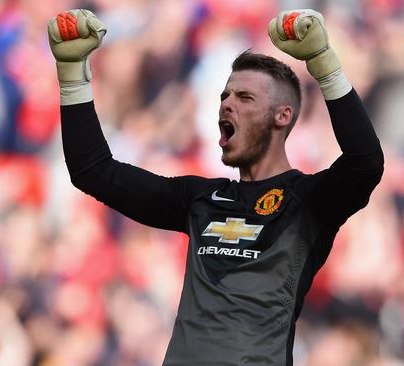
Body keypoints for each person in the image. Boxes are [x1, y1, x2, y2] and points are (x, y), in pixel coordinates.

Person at [48, 8, 384, 365]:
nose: (226, 105)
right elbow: (93, 170)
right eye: (225, 96)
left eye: (245, 98)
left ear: (282, 116)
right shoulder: (200, 199)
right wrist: (72, 77)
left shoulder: (307, 201)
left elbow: (365, 164)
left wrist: (325, 66)